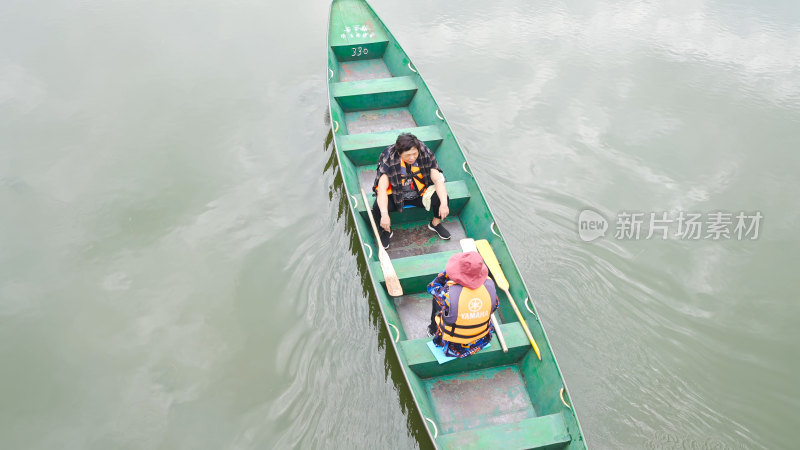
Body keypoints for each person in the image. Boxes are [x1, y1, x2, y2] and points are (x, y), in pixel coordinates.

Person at [371, 133, 450, 249]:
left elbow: (438, 180)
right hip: (397, 196)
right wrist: (384, 214)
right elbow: (382, 189)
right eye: (408, 155)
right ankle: (386, 231)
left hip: (419, 194)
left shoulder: (425, 153)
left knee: (442, 198)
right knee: (378, 208)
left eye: (414, 154)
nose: (412, 158)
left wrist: (443, 204)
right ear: (399, 153)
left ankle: (435, 224)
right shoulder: (389, 158)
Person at [427, 251, 499, 358]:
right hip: (481, 338)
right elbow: (495, 306)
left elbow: (432, 287)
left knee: (438, 301)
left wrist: (446, 274)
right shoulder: (490, 285)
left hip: (454, 344)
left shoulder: (448, 294)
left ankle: (432, 330)